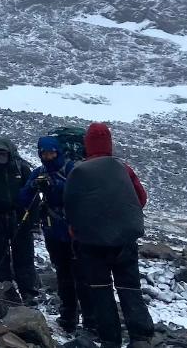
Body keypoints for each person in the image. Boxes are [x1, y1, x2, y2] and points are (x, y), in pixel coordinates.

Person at [64, 122, 154, 348]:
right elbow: (140, 199)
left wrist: (79, 230)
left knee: (100, 290)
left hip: (92, 243)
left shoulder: (79, 171)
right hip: (124, 239)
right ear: (109, 144)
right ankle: (140, 337)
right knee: (130, 287)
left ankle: (110, 339)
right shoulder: (123, 168)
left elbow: (71, 207)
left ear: (87, 144)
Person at [20, 136, 93, 333]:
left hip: (75, 231)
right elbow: (23, 198)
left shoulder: (70, 170)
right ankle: (68, 317)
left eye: (51, 153)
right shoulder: (39, 173)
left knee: (81, 275)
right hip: (54, 231)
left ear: (58, 152)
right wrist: (33, 187)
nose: (48, 157)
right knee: (63, 275)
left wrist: (56, 187)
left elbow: (80, 193)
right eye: (44, 154)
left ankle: (90, 320)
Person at [0, 136, 37, 302]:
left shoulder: (22, 168)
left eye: (3, 153)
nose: (0, 157)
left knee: (24, 255)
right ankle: (6, 289)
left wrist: (33, 221)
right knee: (0, 254)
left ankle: (28, 292)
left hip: (20, 218)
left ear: (9, 153)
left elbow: (33, 196)